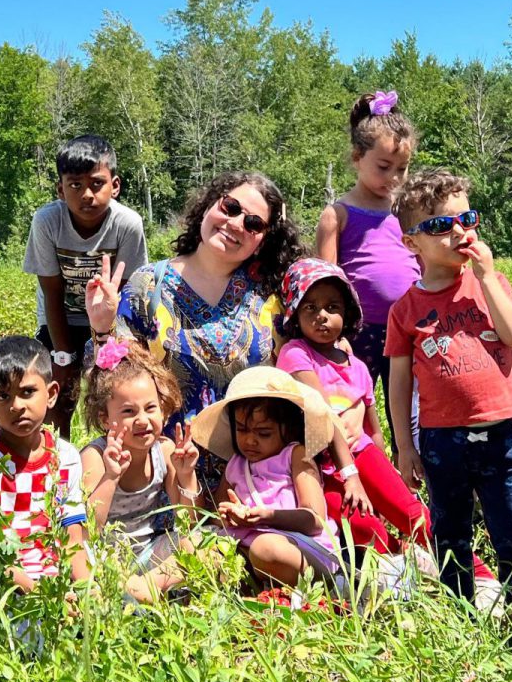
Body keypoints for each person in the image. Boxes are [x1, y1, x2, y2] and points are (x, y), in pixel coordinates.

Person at [83, 171, 304, 494]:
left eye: (254, 223)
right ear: (209, 206)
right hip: (164, 477)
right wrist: (103, 327)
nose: (237, 223)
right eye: (230, 207)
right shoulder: (149, 287)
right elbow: (113, 384)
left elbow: (303, 371)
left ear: (263, 241)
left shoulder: (271, 296)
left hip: (254, 481)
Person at [384, 168, 512, 621]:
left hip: (501, 432)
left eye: (465, 219)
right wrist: (405, 446)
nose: (457, 232)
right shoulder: (406, 310)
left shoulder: (490, 286)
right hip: (441, 438)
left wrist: (488, 277)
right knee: (450, 529)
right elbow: (399, 383)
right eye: (438, 225)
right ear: (412, 242)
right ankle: (459, 610)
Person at [273, 258, 433, 565]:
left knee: (412, 513)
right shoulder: (295, 354)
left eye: (332, 307)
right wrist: (351, 477)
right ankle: (400, 562)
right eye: (310, 308)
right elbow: (322, 414)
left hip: (361, 454)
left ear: (347, 313)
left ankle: (476, 576)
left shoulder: (357, 365)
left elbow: (373, 428)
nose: (322, 316)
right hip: (321, 464)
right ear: (294, 313)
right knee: (361, 526)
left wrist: (380, 470)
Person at [24, 135, 149, 435]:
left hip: (111, 316)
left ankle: (115, 455)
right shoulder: (47, 222)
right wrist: (63, 355)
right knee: (57, 391)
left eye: (96, 183)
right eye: (75, 185)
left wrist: (110, 341)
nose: (87, 195)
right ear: (60, 189)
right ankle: (58, 458)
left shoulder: (127, 225)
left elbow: (131, 293)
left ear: (114, 186)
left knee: (117, 389)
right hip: (62, 316)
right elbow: (52, 291)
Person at [189, 366, 346, 596]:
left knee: (266, 549)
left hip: (300, 551)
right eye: (242, 430)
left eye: (263, 433)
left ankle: (325, 590)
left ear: (289, 428)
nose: (250, 440)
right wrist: (229, 515)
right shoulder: (236, 464)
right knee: (195, 546)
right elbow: (215, 517)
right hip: (249, 551)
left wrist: (266, 517)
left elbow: (315, 519)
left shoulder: (296, 456)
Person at [0, 336, 91, 593]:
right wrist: (38, 594)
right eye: (3, 396)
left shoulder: (66, 456)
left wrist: (86, 592)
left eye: (27, 392)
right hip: (5, 579)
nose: (17, 406)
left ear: (51, 394)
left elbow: (72, 536)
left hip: (57, 573)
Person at [313, 91, 418, 413]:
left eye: (402, 169)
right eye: (384, 166)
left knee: (411, 415)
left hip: (410, 327)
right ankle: (352, 464)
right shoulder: (338, 214)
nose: (394, 178)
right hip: (359, 333)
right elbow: (326, 281)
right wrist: (335, 334)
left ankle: (407, 462)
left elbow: (425, 262)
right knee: (351, 408)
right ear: (358, 157)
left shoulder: (407, 211)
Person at [79, 337, 203, 601]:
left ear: (163, 410)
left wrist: (186, 474)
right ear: (105, 419)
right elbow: (88, 528)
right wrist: (111, 477)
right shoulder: (96, 456)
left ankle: (147, 588)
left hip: (149, 555)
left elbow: (187, 520)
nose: (142, 420)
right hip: (106, 559)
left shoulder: (165, 450)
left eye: (150, 408)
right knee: (87, 569)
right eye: (128, 411)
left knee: (206, 543)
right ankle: (145, 591)